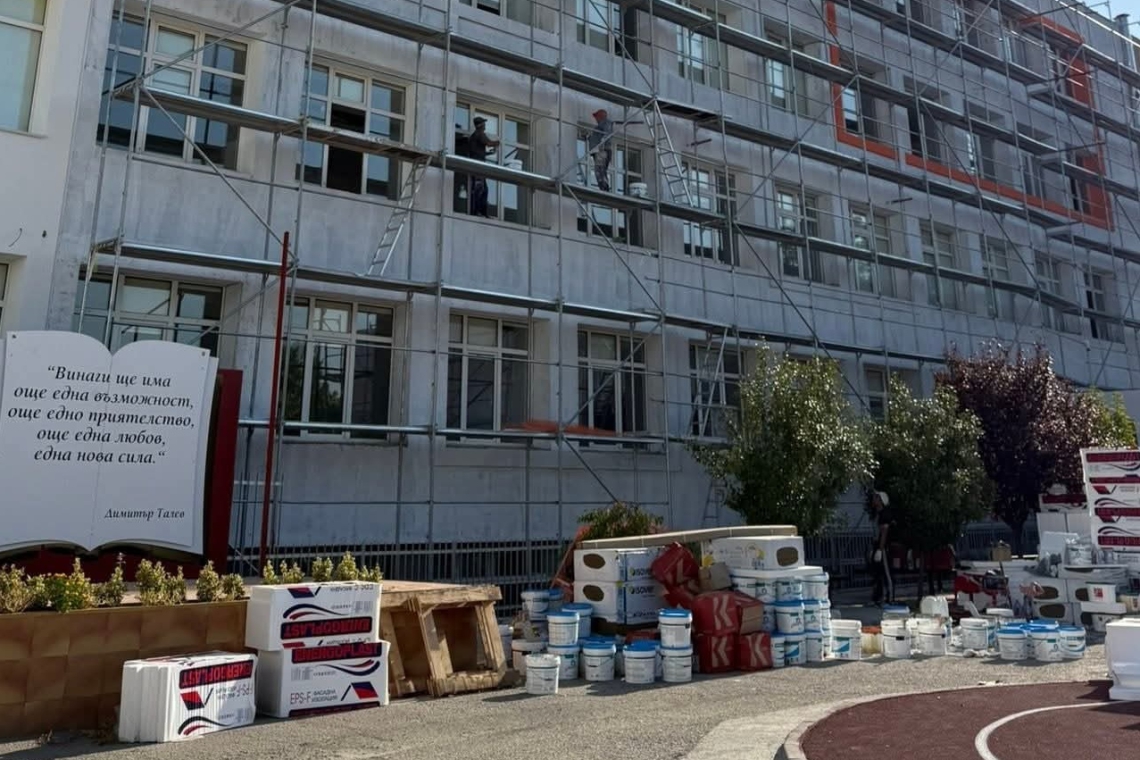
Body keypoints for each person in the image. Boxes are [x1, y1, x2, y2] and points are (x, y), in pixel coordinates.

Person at [468, 116, 500, 217]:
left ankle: (480, 211)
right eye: (484, 123)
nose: (485, 125)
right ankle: (478, 212)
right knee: (480, 189)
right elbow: (488, 143)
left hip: (476, 166)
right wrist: (497, 142)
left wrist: (489, 153)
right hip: (478, 167)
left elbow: (478, 153)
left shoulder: (474, 136)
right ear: (480, 125)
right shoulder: (479, 134)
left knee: (482, 189)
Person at [870, 490, 895, 606]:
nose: (873, 499)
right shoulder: (877, 514)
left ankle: (890, 598)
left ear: (881, 500)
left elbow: (884, 532)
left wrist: (880, 549)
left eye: (876, 497)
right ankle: (878, 597)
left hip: (883, 547)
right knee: (877, 573)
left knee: (886, 573)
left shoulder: (885, 514)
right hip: (877, 545)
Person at [588, 109, 614, 192]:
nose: (596, 119)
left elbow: (607, 134)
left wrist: (602, 141)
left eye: (597, 116)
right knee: (600, 170)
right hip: (599, 150)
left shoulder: (606, 123)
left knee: (600, 170)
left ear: (601, 116)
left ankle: (604, 187)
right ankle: (603, 186)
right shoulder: (599, 126)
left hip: (602, 150)